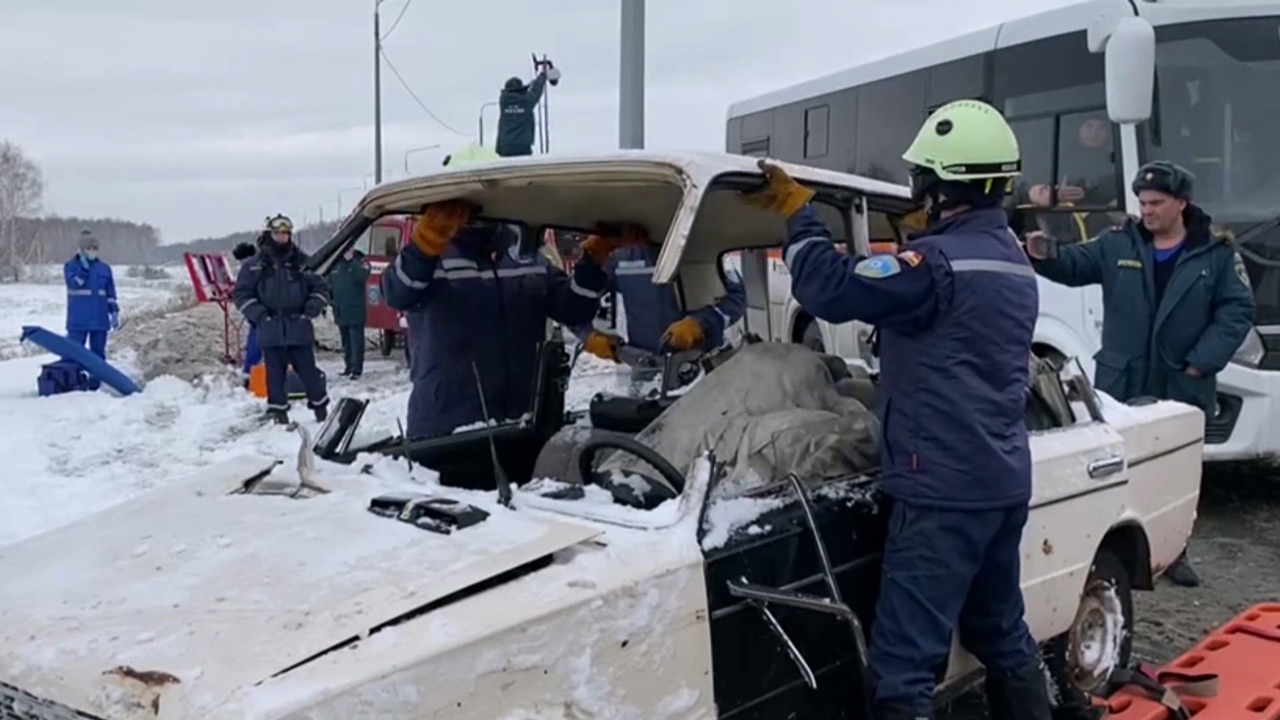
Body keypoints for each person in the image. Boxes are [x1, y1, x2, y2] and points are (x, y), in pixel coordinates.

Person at [747, 99, 1052, 720]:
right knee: (1000, 630)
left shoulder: (932, 266)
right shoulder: (1011, 259)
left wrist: (800, 216)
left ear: (939, 186)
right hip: (1000, 482)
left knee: (903, 669)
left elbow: (827, 288)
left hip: (940, 492)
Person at [1026, 160, 1255, 588]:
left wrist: (1201, 361)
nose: (1146, 210)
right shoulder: (1119, 244)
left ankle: (1175, 551)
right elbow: (1074, 265)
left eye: (1156, 203)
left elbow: (1237, 311)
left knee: (1177, 470)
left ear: (1181, 204)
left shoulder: (1217, 253)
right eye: (1143, 202)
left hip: (1182, 382)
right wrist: (1045, 253)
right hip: (1123, 380)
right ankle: (1114, 551)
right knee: (1120, 467)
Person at [381, 199, 609, 439]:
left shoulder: (524, 257)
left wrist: (593, 262)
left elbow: (573, 309)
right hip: (448, 430)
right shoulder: (429, 258)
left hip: (523, 425)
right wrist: (422, 247)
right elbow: (397, 293)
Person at [573, 223, 746, 362]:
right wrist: (589, 337)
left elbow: (737, 299)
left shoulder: (701, 248)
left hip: (702, 367)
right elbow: (576, 304)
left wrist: (701, 324)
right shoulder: (620, 258)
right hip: (648, 370)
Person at [233, 214, 331, 424]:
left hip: (299, 326)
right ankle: (278, 412)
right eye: (278, 233)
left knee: (309, 373)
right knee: (274, 376)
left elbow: (321, 287)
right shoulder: (254, 265)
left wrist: (311, 309)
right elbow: (242, 294)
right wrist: (260, 315)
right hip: (271, 328)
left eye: (286, 233)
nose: (282, 237)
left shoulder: (302, 262)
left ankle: (321, 408)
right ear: (269, 234)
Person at [64, 229, 119, 367]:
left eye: (95, 248)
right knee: (73, 354)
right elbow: (74, 284)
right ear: (81, 250)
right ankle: (73, 383)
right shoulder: (70, 266)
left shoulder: (104, 268)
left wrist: (114, 311)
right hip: (78, 321)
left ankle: (95, 384)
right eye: (89, 248)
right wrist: (83, 270)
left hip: (100, 320)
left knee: (98, 356)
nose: (92, 251)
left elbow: (110, 293)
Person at [495, 62, 559, 158]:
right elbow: (536, 89)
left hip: (504, 146)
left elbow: (527, 90)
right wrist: (543, 75)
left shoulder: (503, 100)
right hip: (522, 146)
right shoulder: (526, 101)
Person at [330, 246, 370, 379]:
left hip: (355, 310)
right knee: (346, 342)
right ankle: (348, 367)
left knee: (356, 342)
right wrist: (331, 302)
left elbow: (363, 276)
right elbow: (329, 283)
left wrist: (352, 260)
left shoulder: (360, 261)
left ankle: (356, 369)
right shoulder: (336, 263)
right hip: (340, 309)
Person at [232, 237, 262, 380]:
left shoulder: (253, 266)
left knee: (256, 344)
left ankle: (251, 373)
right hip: (258, 310)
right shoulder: (256, 263)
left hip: (259, 312)